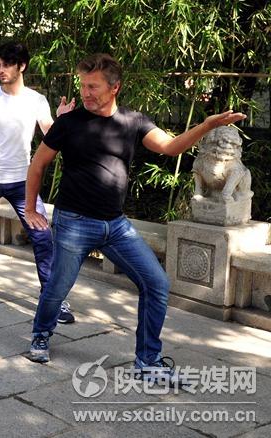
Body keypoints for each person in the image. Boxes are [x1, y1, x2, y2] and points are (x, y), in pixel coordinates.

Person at [23, 54, 246, 379]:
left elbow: (170, 147)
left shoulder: (133, 121)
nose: (85, 92)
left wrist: (208, 125)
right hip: (73, 222)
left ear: (115, 87)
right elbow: (38, 164)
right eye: (83, 85)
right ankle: (41, 334)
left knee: (156, 284)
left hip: (115, 225)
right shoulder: (68, 123)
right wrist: (31, 208)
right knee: (57, 287)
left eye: (93, 86)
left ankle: (148, 362)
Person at [0, 42, 76, 326]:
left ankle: (53, 297)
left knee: (43, 238)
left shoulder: (36, 100)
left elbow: (50, 137)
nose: (0, 70)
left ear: (21, 66)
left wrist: (63, 122)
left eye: (6, 64)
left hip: (23, 181)